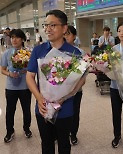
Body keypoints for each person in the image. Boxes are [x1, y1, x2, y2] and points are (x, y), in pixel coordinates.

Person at [26, 10, 82, 154]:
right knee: (46, 144)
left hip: (65, 109)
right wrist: (39, 99)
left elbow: (80, 81)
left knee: (64, 145)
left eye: (53, 25)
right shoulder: (38, 50)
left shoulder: (75, 53)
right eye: (46, 25)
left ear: (64, 28)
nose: (47, 29)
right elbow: (29, 77)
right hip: (43, 108)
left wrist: (63, 97)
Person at [0, 29, 32, 143]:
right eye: (12, 37)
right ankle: (10, 131)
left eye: (17, 37)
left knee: (26, 109)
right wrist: (10, 73)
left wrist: (26, 70)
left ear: (22, 39)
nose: (14, 39)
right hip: (11, 87)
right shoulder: (6, 53)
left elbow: (33, 69)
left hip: (25, 86)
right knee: (10, 110)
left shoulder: (28, 53)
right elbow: (2, 70)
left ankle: (26, 128)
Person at [64, 25, 85, 145]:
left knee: (74, 112)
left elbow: (83, 73)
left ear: (74, 36)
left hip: (76, 90)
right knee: (61, 112)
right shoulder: (58, 50)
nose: (65, 36)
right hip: (60, 91)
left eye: (68, 34)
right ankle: (61, 133)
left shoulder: (80, 52)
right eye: (64, 34)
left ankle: (73, 134)